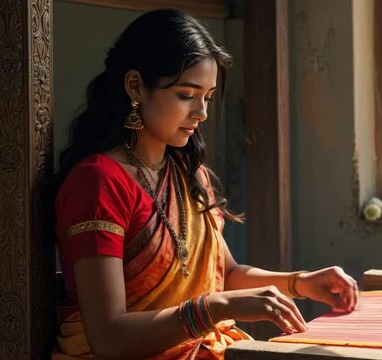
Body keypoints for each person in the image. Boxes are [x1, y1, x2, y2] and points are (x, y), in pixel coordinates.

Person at [52, 9, 358, 360]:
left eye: (208, 97)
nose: (202, 113)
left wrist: (301, 282)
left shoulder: (187, 175)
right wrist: (214, 309)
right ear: (135, 86)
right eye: (186, 94)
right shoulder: (99, 181)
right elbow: (108, 338)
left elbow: (225, 274)